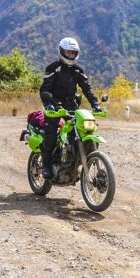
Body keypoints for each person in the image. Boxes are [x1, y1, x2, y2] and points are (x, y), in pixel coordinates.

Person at [39, 37, 101, 179]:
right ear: (62, 52)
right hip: (54, 106)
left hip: (71, 106)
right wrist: (48, 103)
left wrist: (95, 104)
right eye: (68, 52)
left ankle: (75, 160)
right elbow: (45, 89)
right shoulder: (53, 68)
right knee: (51, 135)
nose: (71, 55)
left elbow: (87, 88)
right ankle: (46, 165)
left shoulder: (78, 70)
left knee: (81, 130)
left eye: (73, 53)